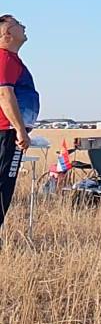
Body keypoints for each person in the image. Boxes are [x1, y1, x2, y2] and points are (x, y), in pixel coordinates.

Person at [0, 15, 40, 230]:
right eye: (17, 24)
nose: (23, 26)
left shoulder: (11, 59)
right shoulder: (4, 57)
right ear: (7, 33)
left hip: (9, 131)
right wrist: (20, 130)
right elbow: (4, 95)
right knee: (3, 185)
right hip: (7, 132)